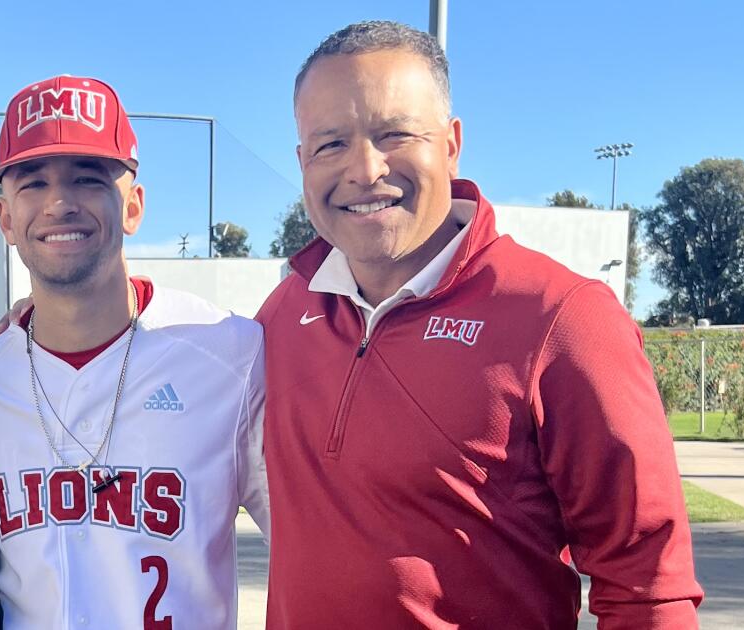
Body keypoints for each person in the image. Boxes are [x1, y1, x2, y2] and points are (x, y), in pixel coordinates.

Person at [256, 20, 703, 628]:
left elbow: (649, 586)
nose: (364, 168)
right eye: (330, 143)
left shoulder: (563, 317)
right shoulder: (281, 317)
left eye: (394, 133)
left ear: (450, 143)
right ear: (302, 160)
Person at [0, 74, 269, 630]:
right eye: (33, 183)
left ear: (134, 207)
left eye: (88, 180)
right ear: (5, 220)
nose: (59, 203)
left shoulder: (230, 354)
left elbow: (312, 547)